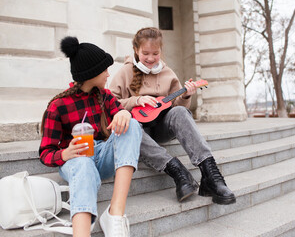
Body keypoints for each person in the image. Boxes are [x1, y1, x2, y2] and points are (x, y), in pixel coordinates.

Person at [109, 27, 236, 205]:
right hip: (138, 131)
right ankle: (178, 172)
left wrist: (185, 96)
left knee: (181, 112)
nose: (151, 58)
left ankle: (211, 175)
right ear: (136, 50)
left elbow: (176, 108)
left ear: (161, 51)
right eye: (145, 53)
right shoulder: (125, 72)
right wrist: (135, 101)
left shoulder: (168, 73)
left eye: (155, 53)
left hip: (160, 128)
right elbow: (110, 104)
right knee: (130, 125)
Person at [39, 36, 142, 237]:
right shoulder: (58, 106)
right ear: (91, 73)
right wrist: (65, 154)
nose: (108, 73)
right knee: (83, 164)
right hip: (76, 160)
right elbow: (45, 153)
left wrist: (124, 113)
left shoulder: (105, 96)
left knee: (133, 124)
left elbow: (121, 116)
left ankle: (115, 215)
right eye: (104, 69)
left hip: (101, 154)